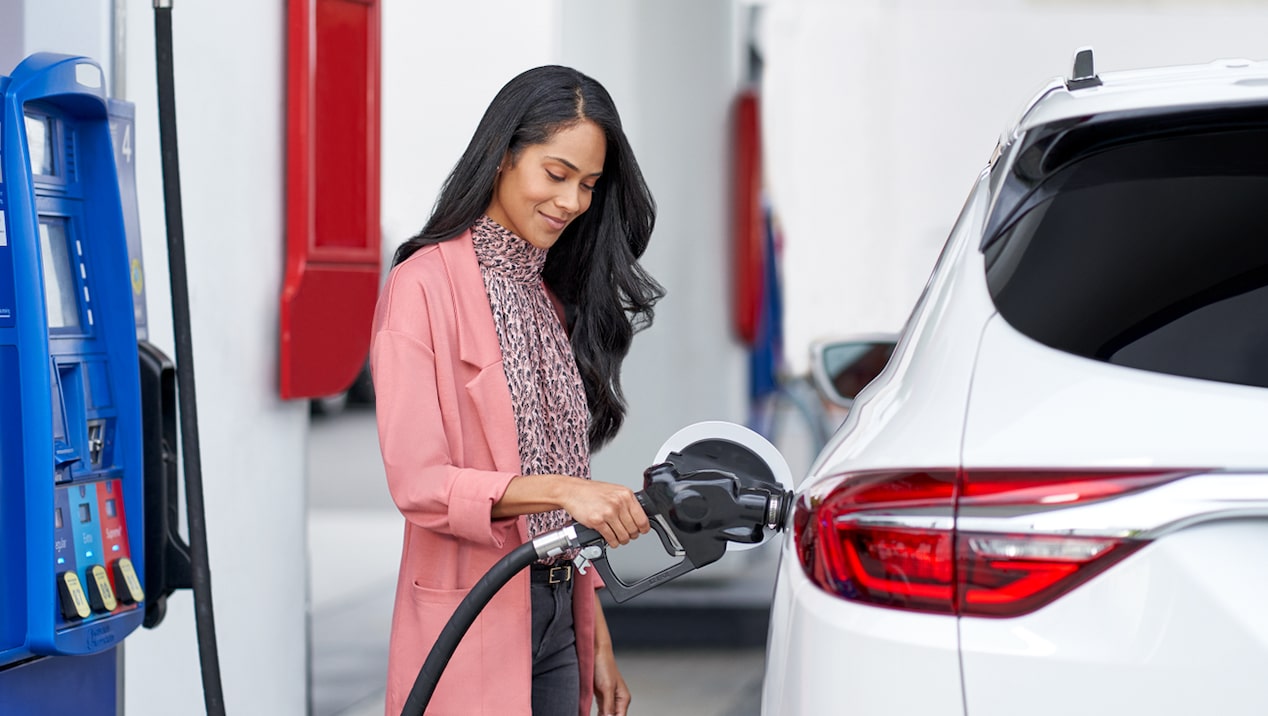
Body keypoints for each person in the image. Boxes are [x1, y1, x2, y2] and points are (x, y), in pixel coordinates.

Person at [370, 65, 665, 716]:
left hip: (560, 613)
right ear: (503, 157)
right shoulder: (422, 287)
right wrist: (569, 492)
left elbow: (557, 491)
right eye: (556, 175)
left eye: (588, 185)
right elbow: (420, 482)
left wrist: (595, 629)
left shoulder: (544, 298)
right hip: (473, 614)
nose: (572, 202)